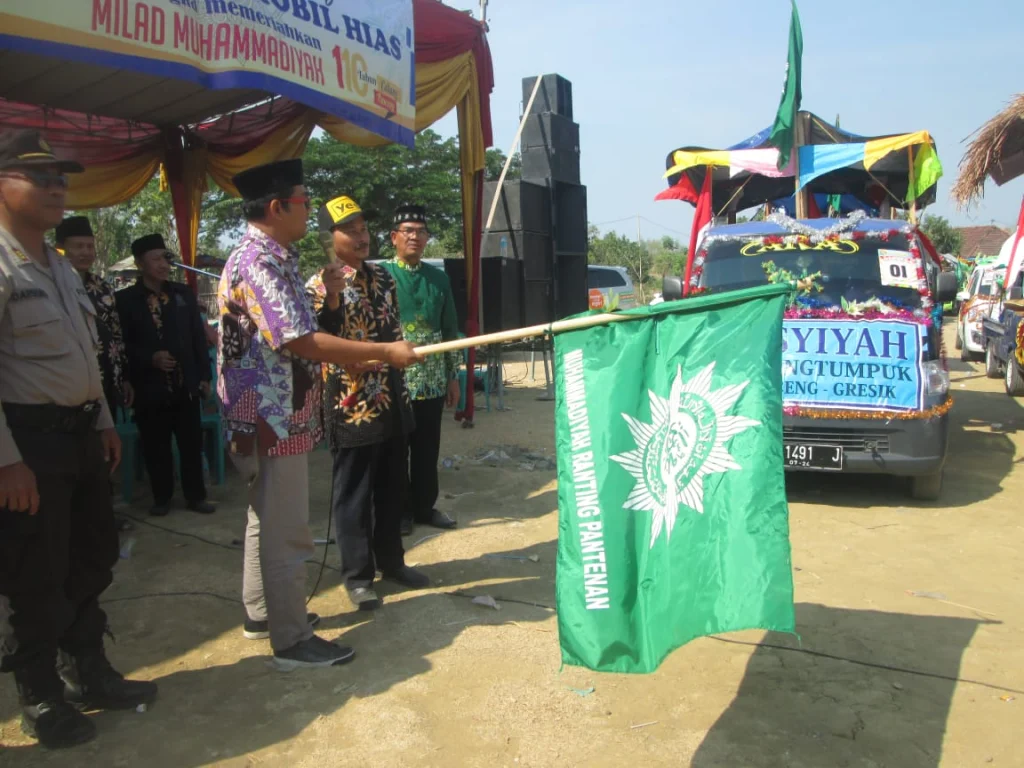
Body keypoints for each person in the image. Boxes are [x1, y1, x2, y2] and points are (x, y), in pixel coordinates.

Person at [218, 161, 421, 669]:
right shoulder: (257, 263)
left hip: (274, 408)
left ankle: (262, 613)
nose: (311, 209)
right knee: (286, 526)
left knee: (264, 516)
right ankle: (291, 639)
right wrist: (383, 353)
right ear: (276, 206)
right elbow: (300, 340)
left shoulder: (274, 256)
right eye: (306, 201)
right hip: (270, 412)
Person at [0, 129, 157, 750]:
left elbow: (83, 356)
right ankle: (40, 695)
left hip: (81, 438)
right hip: (28, 445)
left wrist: (100, 423)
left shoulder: (60, 268)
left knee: (89, 561)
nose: (56, 188)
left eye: (61, 178)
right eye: (40, 178)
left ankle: (89, 671)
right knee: (36, 574)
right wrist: (6, 462)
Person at [306, 196, 429, 612]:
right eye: (350, 230)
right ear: (330, 238)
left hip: (391, 395)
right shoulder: (319, 284)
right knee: (354, 494)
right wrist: (334, 300)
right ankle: (357, 577)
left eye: (363, 228)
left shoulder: (383, 278)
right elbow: (323, 342)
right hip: (351, 403)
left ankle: (392, 561)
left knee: (393, 486)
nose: (361, 237)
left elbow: (390, 331)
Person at [116, 234, 216, 517]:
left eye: (165, 258)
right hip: (149, 386)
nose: (163, 264)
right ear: (140, 263)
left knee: (191, 442)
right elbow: (120, 343)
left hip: (186, 383)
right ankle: (161, 498)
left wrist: (204, 377)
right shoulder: (125, 300)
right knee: (155, 444)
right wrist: (150, 358)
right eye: (155, 259)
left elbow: (198, 337)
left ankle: (196, 496)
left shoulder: (182, 294)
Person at [380, 205, 461, 535]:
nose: (415, 237)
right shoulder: (382, 277)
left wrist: (453, 376)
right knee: (396, 448)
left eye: (421, 232)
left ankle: (424, 507)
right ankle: (399, 511)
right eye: (408, 231)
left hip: (432, 379)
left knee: (428, 447)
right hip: (394, 378)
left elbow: (449, 329)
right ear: (394, 237)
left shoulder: (438, 279)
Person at [55, 216, 133, 416]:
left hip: (106, 379)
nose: (86, 252)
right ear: (60, 248)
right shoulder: (51, 285)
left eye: (90, 247)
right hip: (67, 381)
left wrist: (124, 377)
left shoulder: (103, 287)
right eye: (79, 246)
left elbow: (116, 333)